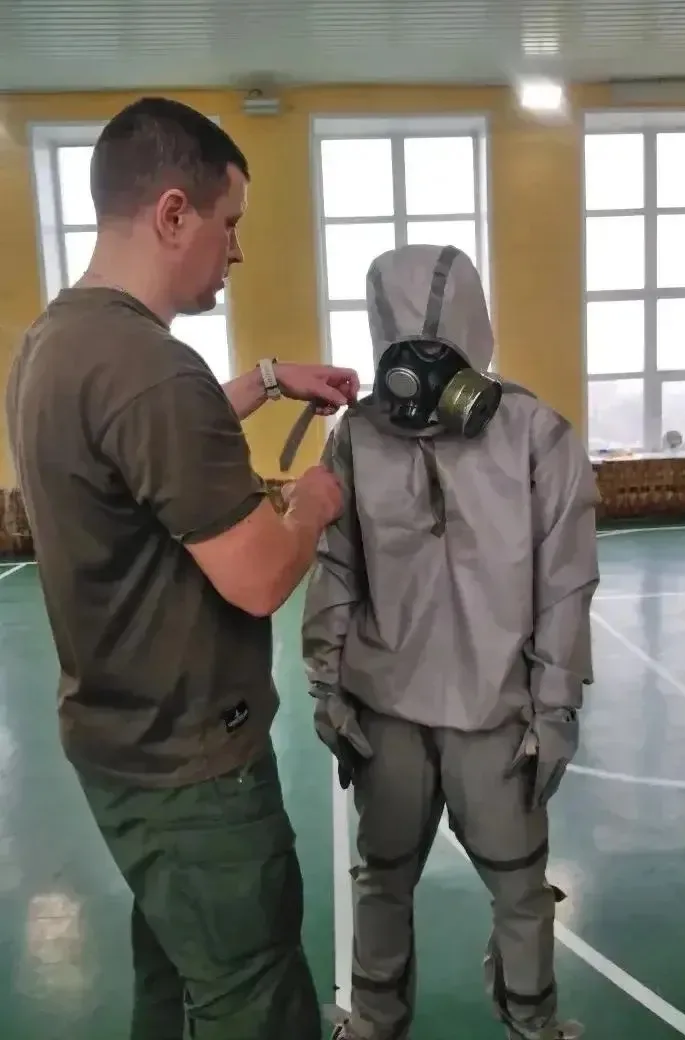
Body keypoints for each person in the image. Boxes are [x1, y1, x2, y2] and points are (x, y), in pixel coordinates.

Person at [5, 96, 358, 1040]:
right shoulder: (153, 368)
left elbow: (144, 444)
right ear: (172, 214)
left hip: (119, 748)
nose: (235, 250)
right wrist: (312, 501)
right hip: (194, 766)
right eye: (228, 223)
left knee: (177, 972)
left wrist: (271, 381)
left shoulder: (57, 342)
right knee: (252, 995)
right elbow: (259, 577)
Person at [301, 243, 600, 1040]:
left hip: (496, 716)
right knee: (382, 880)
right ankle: (374, 1022)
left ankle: (533, 1024)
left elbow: (566, 580)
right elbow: (336, 565)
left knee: (519, 890)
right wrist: (326, 683)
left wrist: (555, 703)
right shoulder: (358, 438)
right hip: (389, 712)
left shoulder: (535, 435)